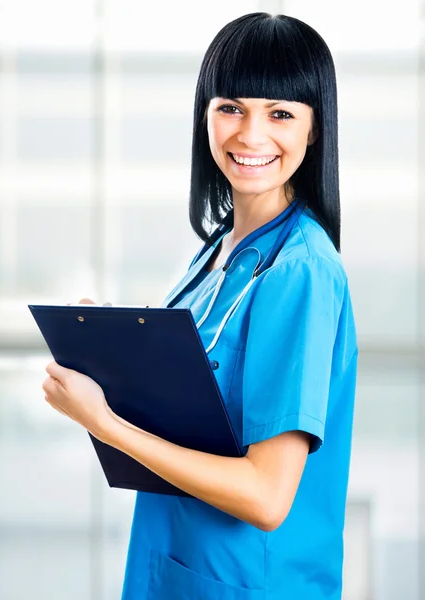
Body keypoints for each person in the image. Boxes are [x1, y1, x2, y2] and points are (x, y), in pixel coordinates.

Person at [42, 12, 358, 599]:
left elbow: (266, 497)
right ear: (205, 114)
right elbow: (201, 391)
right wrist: (110, 345)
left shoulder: (301, 271)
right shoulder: (219, 249)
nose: (251, 135)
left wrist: (104, 423)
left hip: (248, 582)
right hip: (176, 567)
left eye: (281, 114)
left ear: (314, 130)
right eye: (231, 107)